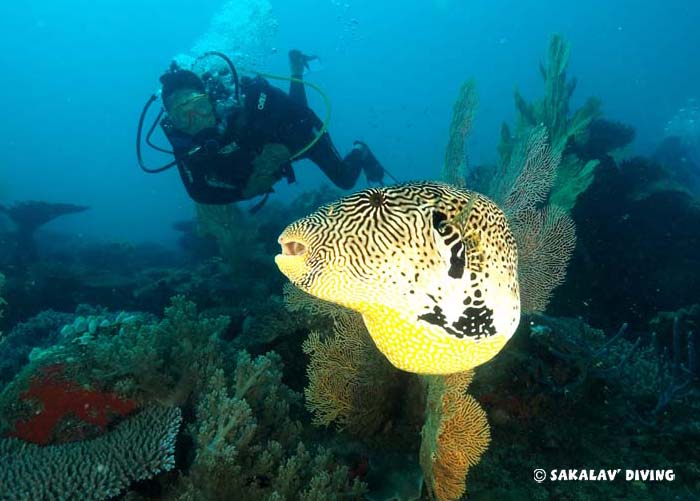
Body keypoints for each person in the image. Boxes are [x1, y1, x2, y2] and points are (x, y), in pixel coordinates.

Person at [157, 50, 385, 206]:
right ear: (173, 122)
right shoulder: (182, 142)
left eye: (200, 107)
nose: (195, 119)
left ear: (211, 100)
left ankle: (360, 149)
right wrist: (243, 193)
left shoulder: (238, 99)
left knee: (344, 179)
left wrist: (276, 147)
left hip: (296, 131)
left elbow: (277, 101)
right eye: (182, 116)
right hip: (259, 149)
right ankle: (296, 70)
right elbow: (197, 192)